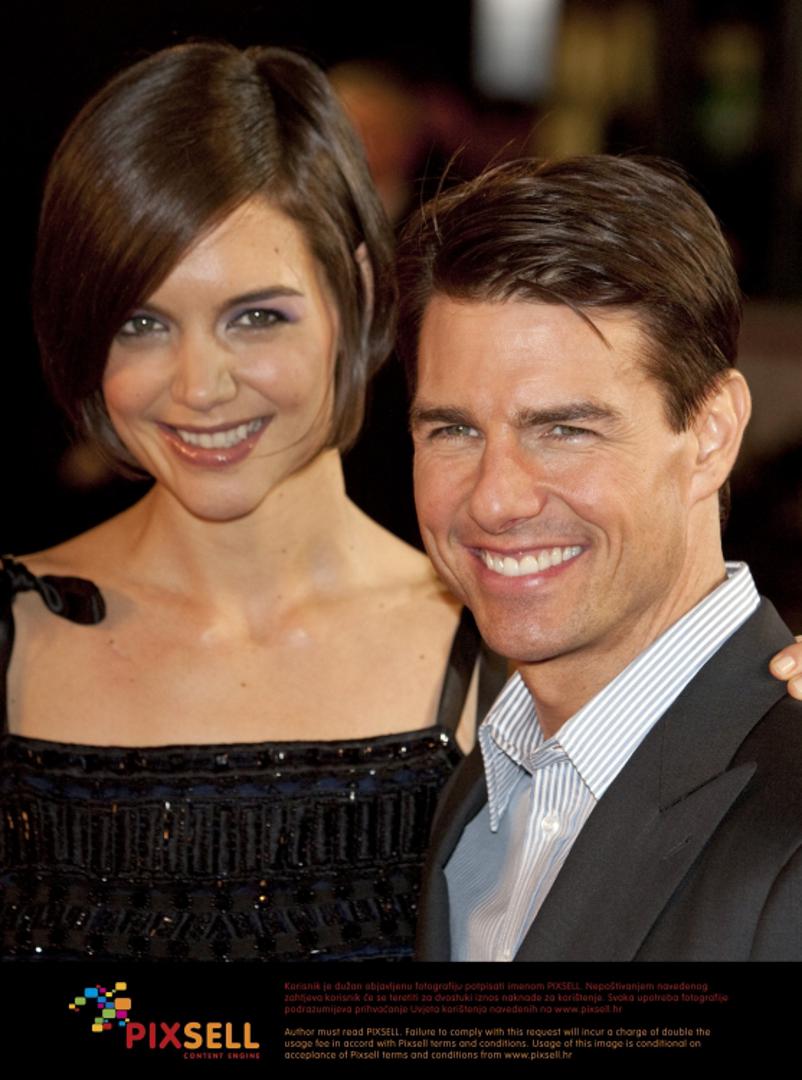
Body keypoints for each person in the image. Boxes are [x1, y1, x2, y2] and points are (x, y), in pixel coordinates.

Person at [0, 42, 506, 963]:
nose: (200, 386)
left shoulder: (507, 655)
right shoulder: (14, 636)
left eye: (257, 317)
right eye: (140, 323)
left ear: (358, 290)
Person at [398, 155, 802, 961]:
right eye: (454, 430)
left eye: (564, 429)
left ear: (712, 434)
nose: (495, 499)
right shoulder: (477, 790)